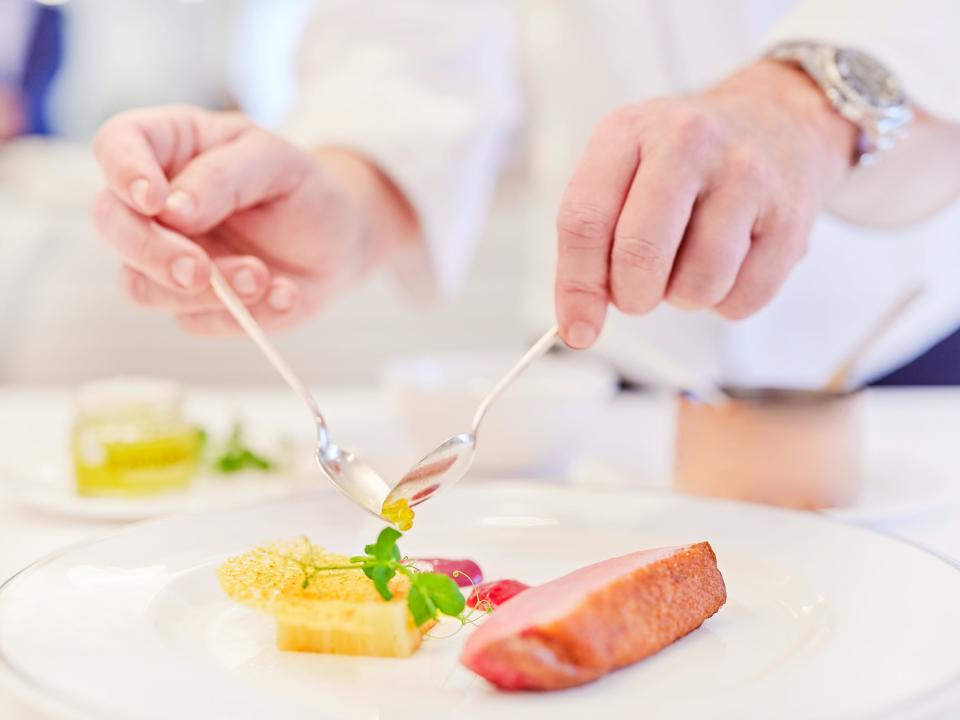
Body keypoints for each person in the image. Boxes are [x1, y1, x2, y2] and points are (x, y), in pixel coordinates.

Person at [90, 0, 960, 388]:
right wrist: (347, 198)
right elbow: (405, 42)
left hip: (905, 351)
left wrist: (803, 105)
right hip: (594, 377)